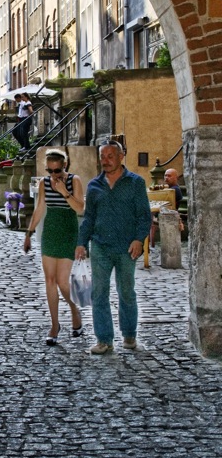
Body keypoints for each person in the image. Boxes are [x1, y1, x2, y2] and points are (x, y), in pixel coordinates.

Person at [75, 140, 152, 355]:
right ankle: (104, 339)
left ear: (121, 157)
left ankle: (129, 334)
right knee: (99, 293)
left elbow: (144, 216)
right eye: (102, 156)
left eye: (110, 156)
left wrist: (139, 240)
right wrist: (81, 242)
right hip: (100, 246)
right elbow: (89, 217)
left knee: (126, 291)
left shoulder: (135, 183)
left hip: (128, 247)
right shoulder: (94, 185)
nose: (105, 161)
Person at [23, 150, 85, 345]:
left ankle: (74, 309)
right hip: (50, 229)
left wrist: (63, 192)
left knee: (62, 281)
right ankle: (54, 325)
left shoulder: (74, 180)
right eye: (49, 170)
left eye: (56, 170)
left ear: (64, 166)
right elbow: (40, 207)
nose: (53, 174)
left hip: (68, 229)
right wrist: (29, 233)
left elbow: (80, 208)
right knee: (49, 280)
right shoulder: (44, 182)